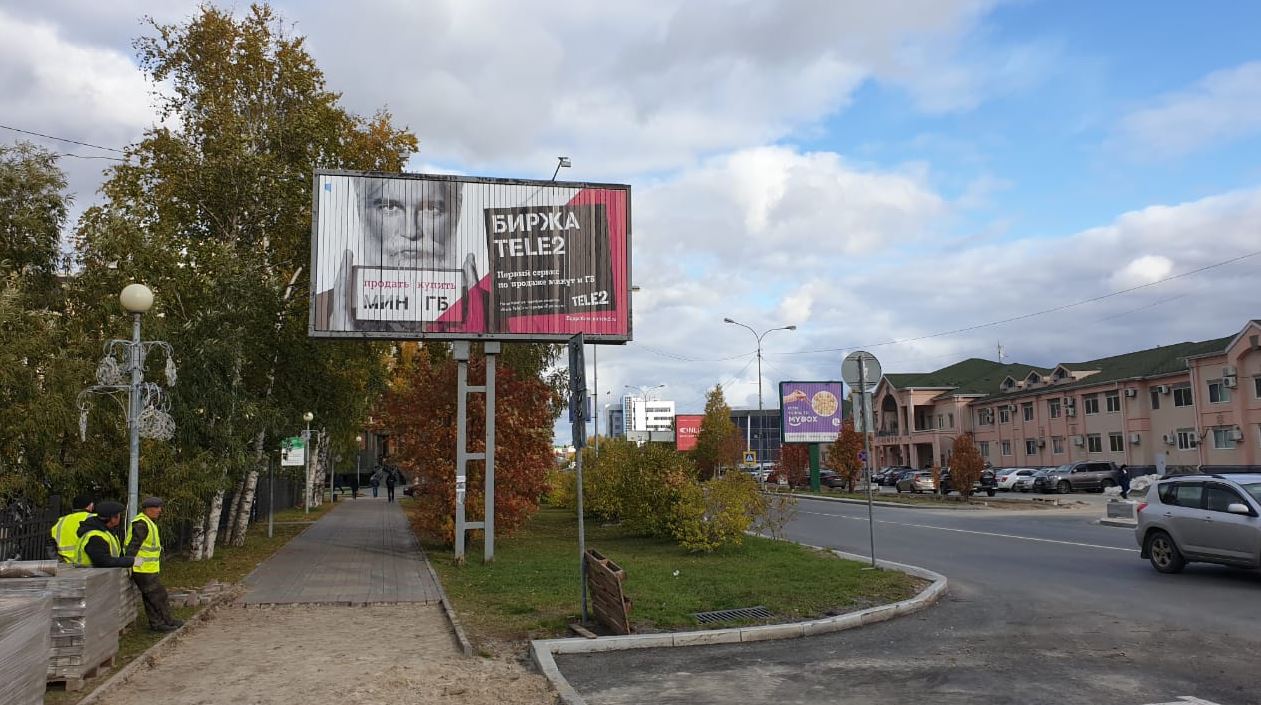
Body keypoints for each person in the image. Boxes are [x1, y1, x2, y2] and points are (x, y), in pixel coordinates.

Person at [314, 177, 480, 332]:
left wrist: (478, 338)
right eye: (389, 207)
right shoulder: (321, 309)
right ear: (360, 210)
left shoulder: (493, 311)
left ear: (457, 211)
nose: (411, 231)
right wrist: (342, 338)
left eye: (431, 208)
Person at [125, 497, 184, 633]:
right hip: (142, 569)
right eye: (156, 508)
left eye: (159, 507)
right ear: (148, 509)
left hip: (145, 568)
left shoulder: (146, 522)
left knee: (150, 597)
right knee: (159, 596)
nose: (159, 510)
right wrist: (129, 563)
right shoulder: (141, 524)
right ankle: (167, 621)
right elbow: (133, 547)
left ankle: (157, 624)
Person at [73, 501, 136, 569]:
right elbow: (103, 561)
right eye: (119, 515)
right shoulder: (95, 537)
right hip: (90, 577)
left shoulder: (106, 532)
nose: (120, 518)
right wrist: (131, 561)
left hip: (97, 576)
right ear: (113, 519)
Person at [50, 494, 94, 563]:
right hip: (91, 566)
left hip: (66, 567)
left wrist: (61, 563)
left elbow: (50, 547)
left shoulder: (61, 521)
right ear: (90, 505)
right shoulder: (95, 518)